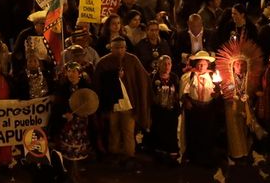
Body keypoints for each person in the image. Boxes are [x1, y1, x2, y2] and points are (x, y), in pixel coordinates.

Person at [93, 37, 151, 168]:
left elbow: (141, 79)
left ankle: (129, 156)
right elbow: (98, 84)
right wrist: (114, 76)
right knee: (113, 130)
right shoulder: (103, 63)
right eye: (116, 48)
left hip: (128, 104)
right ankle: (114, 155)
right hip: (112, 105)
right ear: (111, 48)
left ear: (125, 48)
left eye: (122, 48)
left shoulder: (132, 60)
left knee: (128, 131)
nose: (119, 51)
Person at [52, 61, 91, 181]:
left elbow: (89, 105)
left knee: (77, 149)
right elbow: (58, 105)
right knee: (69, 150)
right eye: (69, 71)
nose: (71, 74)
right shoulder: (63, 88)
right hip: (67, 124)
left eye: (74, 71)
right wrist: (65, 114)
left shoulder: (86, 88)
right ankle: (70, 174)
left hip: (80, 124)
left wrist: (78, 115)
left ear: (79, 74)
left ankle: (75, 173)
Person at [180, 51, 220, 165]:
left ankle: (207, 156)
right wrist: (186, 101)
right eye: (199, 64)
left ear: (208, 64)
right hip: (194, 108)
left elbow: (217, 92)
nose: (201, 66)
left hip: (208, 108)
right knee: (194, 132)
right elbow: (183, 92)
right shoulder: (189, 76)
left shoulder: (212, 75)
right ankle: (194, 157)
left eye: (203, 64)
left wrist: (216, 93)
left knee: (208, 132)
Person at [147, 55, 180, 162]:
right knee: (158, 129)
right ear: (159, 65)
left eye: (169, 64)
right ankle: (158, 151)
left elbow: (178, 92)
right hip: (158, 110)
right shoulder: (153, 77)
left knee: (171, 130)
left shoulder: (174, 77)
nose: (167, 66)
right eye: (164, 64)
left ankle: (171, 151)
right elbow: (149, 93)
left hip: (171, 110)